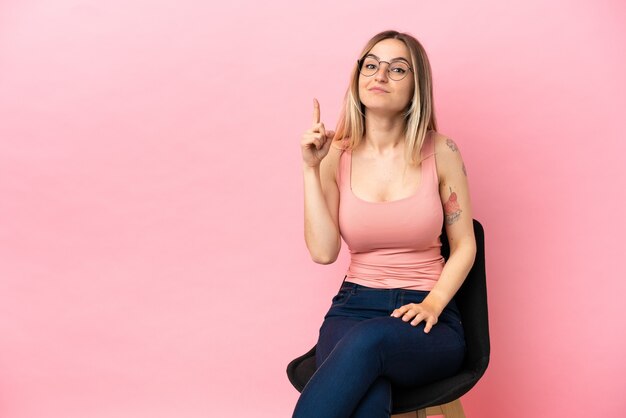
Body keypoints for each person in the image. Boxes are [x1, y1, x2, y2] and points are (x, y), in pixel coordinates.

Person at [292, 29, 477, 418]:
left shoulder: (441, 151)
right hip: (353, 307)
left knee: (368, 343)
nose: (379, 75)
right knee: (369, 393)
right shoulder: (334, 154)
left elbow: (464, 245)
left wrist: (434, 304)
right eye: (371, 65)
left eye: (397, 69)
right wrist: (311, 169)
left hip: (428, 314)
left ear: (416, 87)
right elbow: (324, 252)